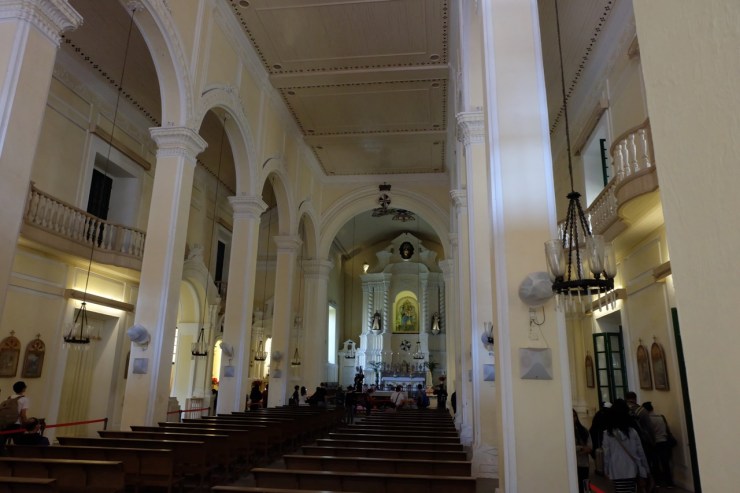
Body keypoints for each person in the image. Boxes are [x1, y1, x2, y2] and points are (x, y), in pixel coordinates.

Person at [602, 399, 650, 493]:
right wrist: (646, 470)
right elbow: (640, 453)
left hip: (616, 470)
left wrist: (606, 469)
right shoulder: (633, 432)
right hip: (632, 469)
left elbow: (607, 454)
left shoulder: (607, 434)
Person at [643, 402, 675, 489]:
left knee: (655, 463)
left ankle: (658, 482)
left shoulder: (648, 419)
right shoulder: (661, 417)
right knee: (665, 463)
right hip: (663, 441)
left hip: (653, 443)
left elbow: (648, 432)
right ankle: (669, 482)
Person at [573, 409, 592, 493]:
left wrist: (580, 449)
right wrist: (581, 448)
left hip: (584, 464)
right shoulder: (566, 432)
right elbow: (570, 448)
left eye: (574, 416)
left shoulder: (583, 430)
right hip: (573, 465)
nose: (573, 418)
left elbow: (590, 447)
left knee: (585, 488)